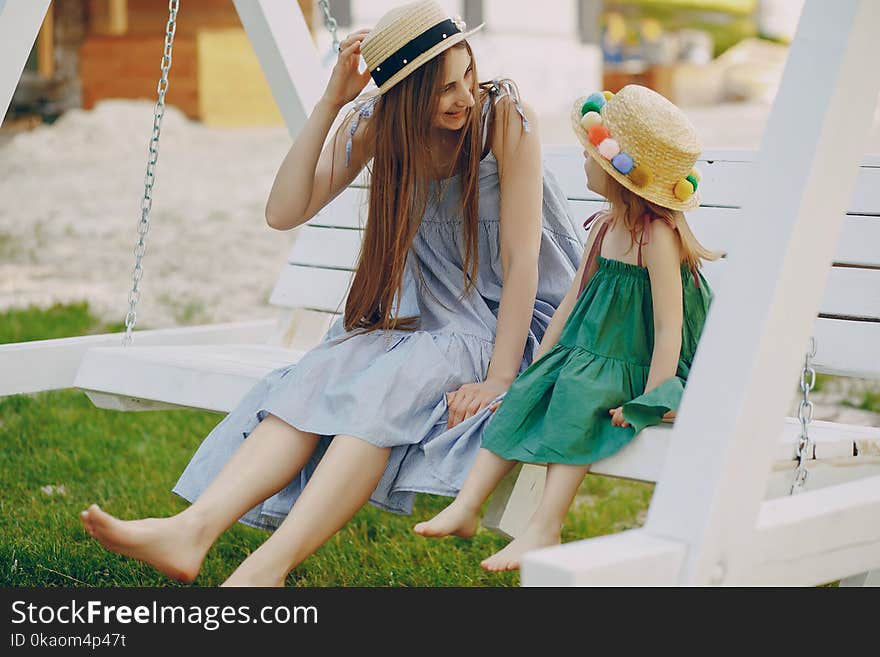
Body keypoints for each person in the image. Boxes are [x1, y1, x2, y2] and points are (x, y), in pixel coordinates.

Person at [78, 0, 583, 586]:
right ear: (405, 96)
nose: (465, 97)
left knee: (381, 389)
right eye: (445, 89)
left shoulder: (504, 119)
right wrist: (329, 104)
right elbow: (283, 211)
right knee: (317, 377)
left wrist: (498, 379)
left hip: (507, 322)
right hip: (424, 318)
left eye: (468, 75)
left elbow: (521, 260)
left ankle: (265, 569)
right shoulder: (375, 124)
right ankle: (191, 530)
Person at [414, 84, 720, 572]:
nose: (582, 163)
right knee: (526, 392)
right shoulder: (603, 226)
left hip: (641, 361)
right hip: (594, 349)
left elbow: (669, 326)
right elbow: (573, 299)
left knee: (577, 395)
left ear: (619, 173)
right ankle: (468, 505)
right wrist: (540, 361)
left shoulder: (656, 237)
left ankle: (544, 527)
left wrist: (654, 394)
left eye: (588, 155)